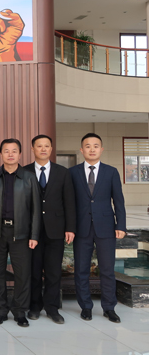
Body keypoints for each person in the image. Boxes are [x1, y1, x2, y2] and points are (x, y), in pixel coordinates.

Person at [70, 133, 126, 323]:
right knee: (81, 270)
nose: (92, 149)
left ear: (101, 149)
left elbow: (118, 201)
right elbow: (69, 203)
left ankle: (109, 308)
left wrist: (121, 225)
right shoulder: (73, 172)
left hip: (106, 227)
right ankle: (85, 307)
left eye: (95, 146)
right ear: (81, 150)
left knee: (107, 270)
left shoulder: (111, 172)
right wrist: (69, 227)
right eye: (88, 146)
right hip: (81, 228)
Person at [0, 138, 40, 327]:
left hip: (22, 234)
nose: (10, 154)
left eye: (14, 151)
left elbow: (36, 209)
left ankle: (19, 312)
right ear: (1, 154)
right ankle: (0, 311)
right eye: (6, 151)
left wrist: (34, 235)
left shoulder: (29, 177)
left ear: (20, 154)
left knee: (22, 274)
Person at [24, 134, 76, 324]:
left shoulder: (63, 172)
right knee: (34, 272)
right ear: (33, 149)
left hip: (56, 230)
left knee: (54, 272)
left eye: (47, 146)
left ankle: (52, 308)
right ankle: (34, 306)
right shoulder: (24, 171)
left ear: (51, 149)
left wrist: (70, 228)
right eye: (39, 146)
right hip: (32, 231)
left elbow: (69, 202)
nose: (43, 149)